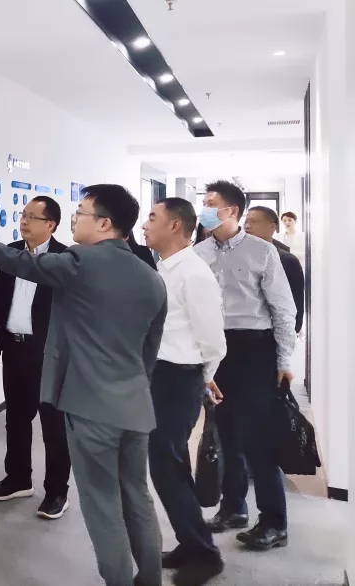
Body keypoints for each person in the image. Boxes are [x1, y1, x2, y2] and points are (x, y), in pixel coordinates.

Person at [0, 184, 167, 586]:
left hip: (91, 406)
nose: (74, 218)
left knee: (102, 506)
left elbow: (16, 261)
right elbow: (149, 352)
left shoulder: (79, 262)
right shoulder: (150, 276)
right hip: (135, 404)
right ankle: (150, 579)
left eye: (81, 212)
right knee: (136, 497)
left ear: (104, 223)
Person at [195, 180, 296, 551]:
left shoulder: (262, 251)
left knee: (258, 439)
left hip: (254, 350)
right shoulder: (199, 252)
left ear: (232, 211)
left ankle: (274, 522)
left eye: (210, 203)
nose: (204, 210)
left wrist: (284, 359)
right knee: (225, 434)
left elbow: (283, 309)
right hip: (216, 350)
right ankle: (233, 508)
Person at [142, 198, 227, 585]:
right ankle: (191, 542)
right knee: (168, 465)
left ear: (175, 226)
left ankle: (205, 554)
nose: (145, 225)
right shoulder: (164, 268)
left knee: (167, 463)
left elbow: (213, 340)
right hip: (162, 374)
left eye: (152, 217)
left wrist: (202, 377)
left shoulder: (193, 274)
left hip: (179, 378)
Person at [0, 196, 71, 519]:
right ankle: (18, 478)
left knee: (53, 425)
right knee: (16, 418)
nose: (24, 221)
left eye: (33, 217)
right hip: (14, 348)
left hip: (48, 353)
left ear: (51, 224)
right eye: (23, 215)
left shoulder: (64, 259)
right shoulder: (12, 252)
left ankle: (57, 492)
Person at [245, 207, 305, 333]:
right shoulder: (239, 257)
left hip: (270, 335)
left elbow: (295, 306)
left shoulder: (287, 261)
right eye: (246, 222)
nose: (247, 226)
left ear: (272, 227)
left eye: (254, 222)